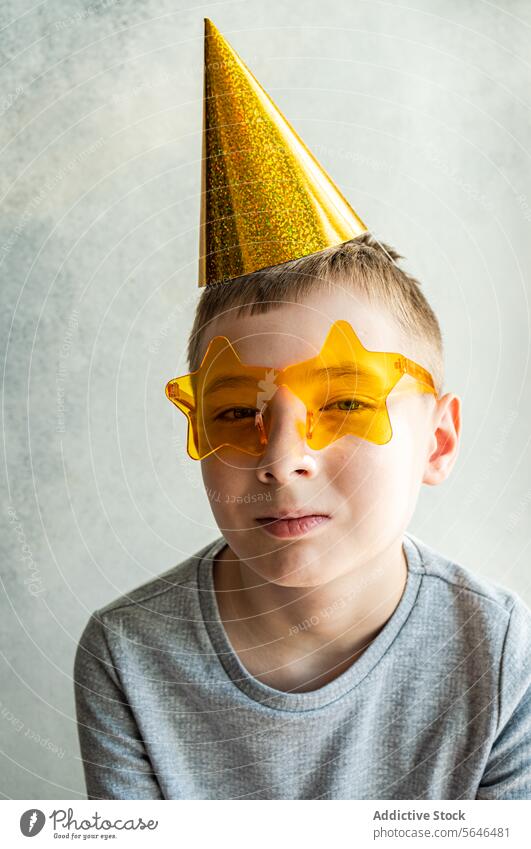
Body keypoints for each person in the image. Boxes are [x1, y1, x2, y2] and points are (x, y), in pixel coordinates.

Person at [73, 20, 531, 800]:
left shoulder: (499, 650)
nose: (280, 457)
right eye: (230, 412)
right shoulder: (127, 653)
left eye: (345, 401)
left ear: (437, 439)